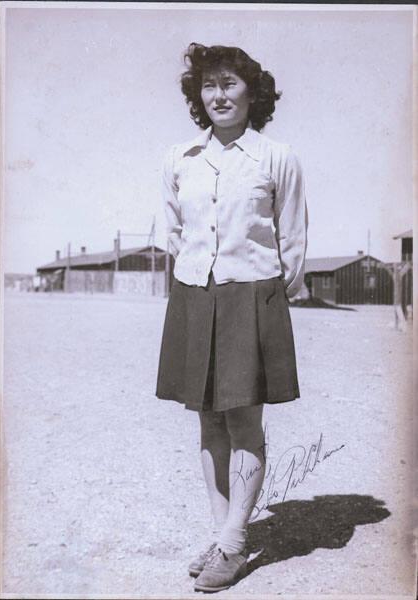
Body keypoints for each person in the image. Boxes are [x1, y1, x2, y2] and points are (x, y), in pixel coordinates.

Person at [156, 42, 308, 593]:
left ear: (252, 92)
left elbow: (292, 243)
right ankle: (223, 532)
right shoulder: (179, 159)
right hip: (196, 296)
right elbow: (173, 234)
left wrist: (260, 301)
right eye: (208, 86)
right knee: (208, 421)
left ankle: (235, 544)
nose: (218, 95)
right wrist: (201, 286)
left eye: (229, 84)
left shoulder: (276, 158)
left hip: (252, 297)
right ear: (199, 97)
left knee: (244, 422)